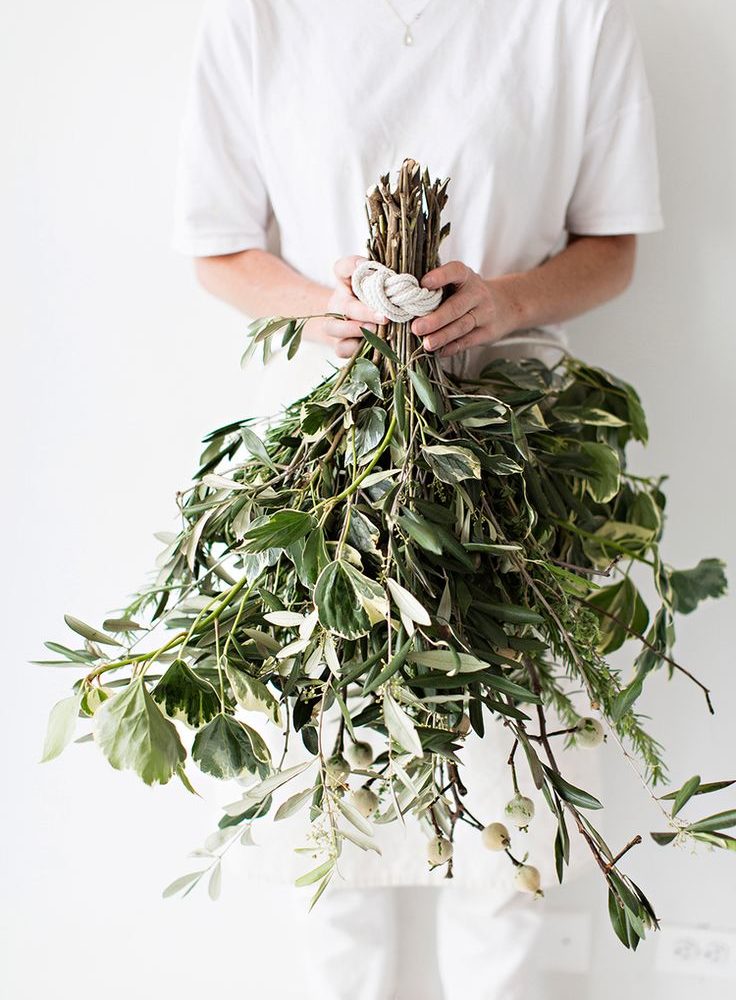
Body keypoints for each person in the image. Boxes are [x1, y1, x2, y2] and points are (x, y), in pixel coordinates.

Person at [171, 2, 663, 997]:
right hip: (328, 475)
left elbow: (612, 246)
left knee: (507, 822)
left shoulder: (571, 17)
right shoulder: (256, 18)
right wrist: (323, 306)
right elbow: (217, 247)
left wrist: (508, 300)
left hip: (512, 463)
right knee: (335, 825)